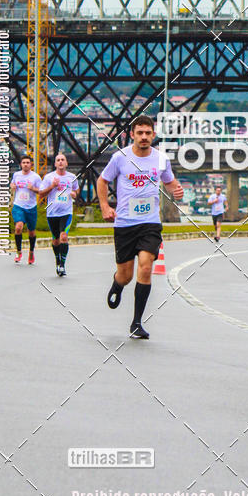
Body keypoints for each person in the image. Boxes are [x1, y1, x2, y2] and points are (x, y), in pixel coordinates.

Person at [97, 115, 184, 339]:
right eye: (140, 133)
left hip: (150, 223)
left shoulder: (161, 159)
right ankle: (118, 284)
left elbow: (169, 181)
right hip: (125, 223)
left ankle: (137, 322)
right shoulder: (120, 158)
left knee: (145, 267)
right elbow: (102, 180)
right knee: (126, 275)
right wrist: (105, 206)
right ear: (132, 135)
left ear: (153, 135)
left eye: (148, 133)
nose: (144, 137)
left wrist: (177, 189)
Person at [38, 153, 79, 277]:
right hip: (52, 213)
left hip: (66, 212)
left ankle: (62, 265)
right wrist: (52, 186)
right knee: (56, 240)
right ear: (55, 164)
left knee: (63, 237)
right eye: (58, 160)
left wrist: (74, 194)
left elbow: (76, 190)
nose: (60, 162)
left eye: (63, 160)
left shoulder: (72, 177)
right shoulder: (49, 177)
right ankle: (57, 261)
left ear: (66, 163)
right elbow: (41, 194)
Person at [10, 155, 41, 264]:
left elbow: (41, 191)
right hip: (18, 205)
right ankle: (19, 252)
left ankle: (31, 251)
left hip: (31, 207)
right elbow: (12, 183)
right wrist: (12, 186)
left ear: (31, 164)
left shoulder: (36, 177)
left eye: (28, 162)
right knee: (18, 227)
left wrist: (33, 188)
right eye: (23, 162)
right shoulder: (16, 175)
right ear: (21, 164)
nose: (25, 164)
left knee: (31, 232)